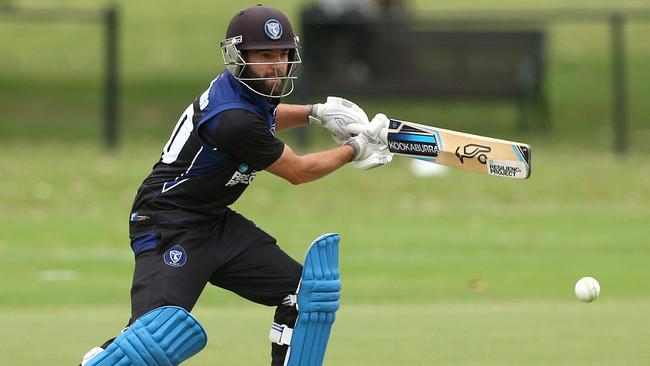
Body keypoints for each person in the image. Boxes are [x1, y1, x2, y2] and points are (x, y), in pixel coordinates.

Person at [79, 4, 392, 366]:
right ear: (239, 57)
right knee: (149, 342)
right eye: (264, 55)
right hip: (168, 225)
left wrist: (317, 113)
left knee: (306, 295)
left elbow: (268, 118)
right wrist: (357, 148)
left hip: (214, 222)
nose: (276, 64)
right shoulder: (233, 120)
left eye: (283, 54)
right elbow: (299, 170)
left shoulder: (244, 93)